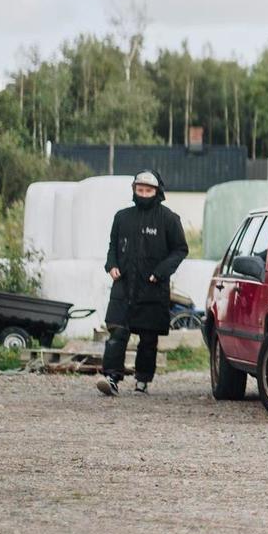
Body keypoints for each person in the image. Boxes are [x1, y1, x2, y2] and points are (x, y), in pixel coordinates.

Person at [97, 170, 188, 397]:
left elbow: (180, 249)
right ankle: (111, 377)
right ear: (134, 190)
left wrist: (160, 272)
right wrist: (112, 265)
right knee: (117, 332)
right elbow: (112, 246)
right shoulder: (122, 217)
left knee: (148, 339)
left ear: (157, 192)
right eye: (140, 190)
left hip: (153, 287)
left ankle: (142, 381)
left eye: (148, 191)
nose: (144, 194)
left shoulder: (169, 219)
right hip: (124, 287)